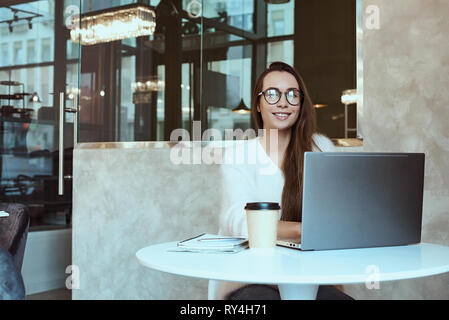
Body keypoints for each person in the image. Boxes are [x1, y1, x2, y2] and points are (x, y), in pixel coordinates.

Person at [209, 61, 353, 300]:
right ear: (258, 103)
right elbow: (242, 224)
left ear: (301, 103)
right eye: (273, 94)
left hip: (308, 274)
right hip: (252, 277)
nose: (283, 102)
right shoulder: (239, 155)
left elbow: (335, 218)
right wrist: (305, 230)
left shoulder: (320, 148)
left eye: (292, 94)